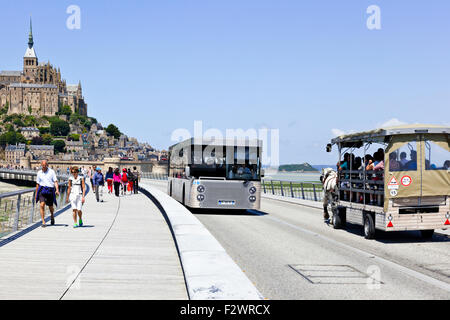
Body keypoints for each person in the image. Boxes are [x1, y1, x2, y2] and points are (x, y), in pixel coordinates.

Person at [35, 160, 60, 228]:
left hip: (50, 190)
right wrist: (36, 194)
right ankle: (43, 221)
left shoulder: (51, 172)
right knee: (42, 205)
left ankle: (52, 215)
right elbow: (37, 184)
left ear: (47, 165)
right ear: (41, 165)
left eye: (45, 165)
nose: (43, 167)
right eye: (42, 166)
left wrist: (57, 189)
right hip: (42, 190)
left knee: (50, 207)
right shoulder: (39, 173)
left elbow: (55, 181)